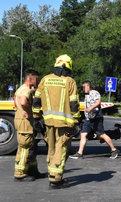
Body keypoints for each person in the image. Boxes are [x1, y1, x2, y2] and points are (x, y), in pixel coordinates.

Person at [32, 54, 80, 189]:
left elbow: (36, 100)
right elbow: (74, 104)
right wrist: (76, 121)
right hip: (64, 124)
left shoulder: (45, 79)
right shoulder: (70, 81)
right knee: (62, 148)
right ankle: (55, 179)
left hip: (48, 122)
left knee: (51, 148)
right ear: (68, 65)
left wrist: (36, 118)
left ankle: (51, 172)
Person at [69, 81, 120, 159]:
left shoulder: (95, 93)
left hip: (96, 117)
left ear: (88, 86)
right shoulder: (87, 95)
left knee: (102, 134)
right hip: (88, 119)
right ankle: (80, 153)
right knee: (83, 134)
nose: (83, 89)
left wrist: (90, 108)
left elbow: (98, 102)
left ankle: (114, 150)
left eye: (84, 87)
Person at [13, 69, 43, 182]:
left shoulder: (21, 88)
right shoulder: (26, 90)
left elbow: (16, 99)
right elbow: (23, 102)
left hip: (21, 121)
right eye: (36, 79)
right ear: (30, 79)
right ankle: (20, 174)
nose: (37, 81)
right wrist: (28, 112)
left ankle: (32, 170)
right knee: (25, 147)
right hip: (24, 122)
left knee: (30, 146)